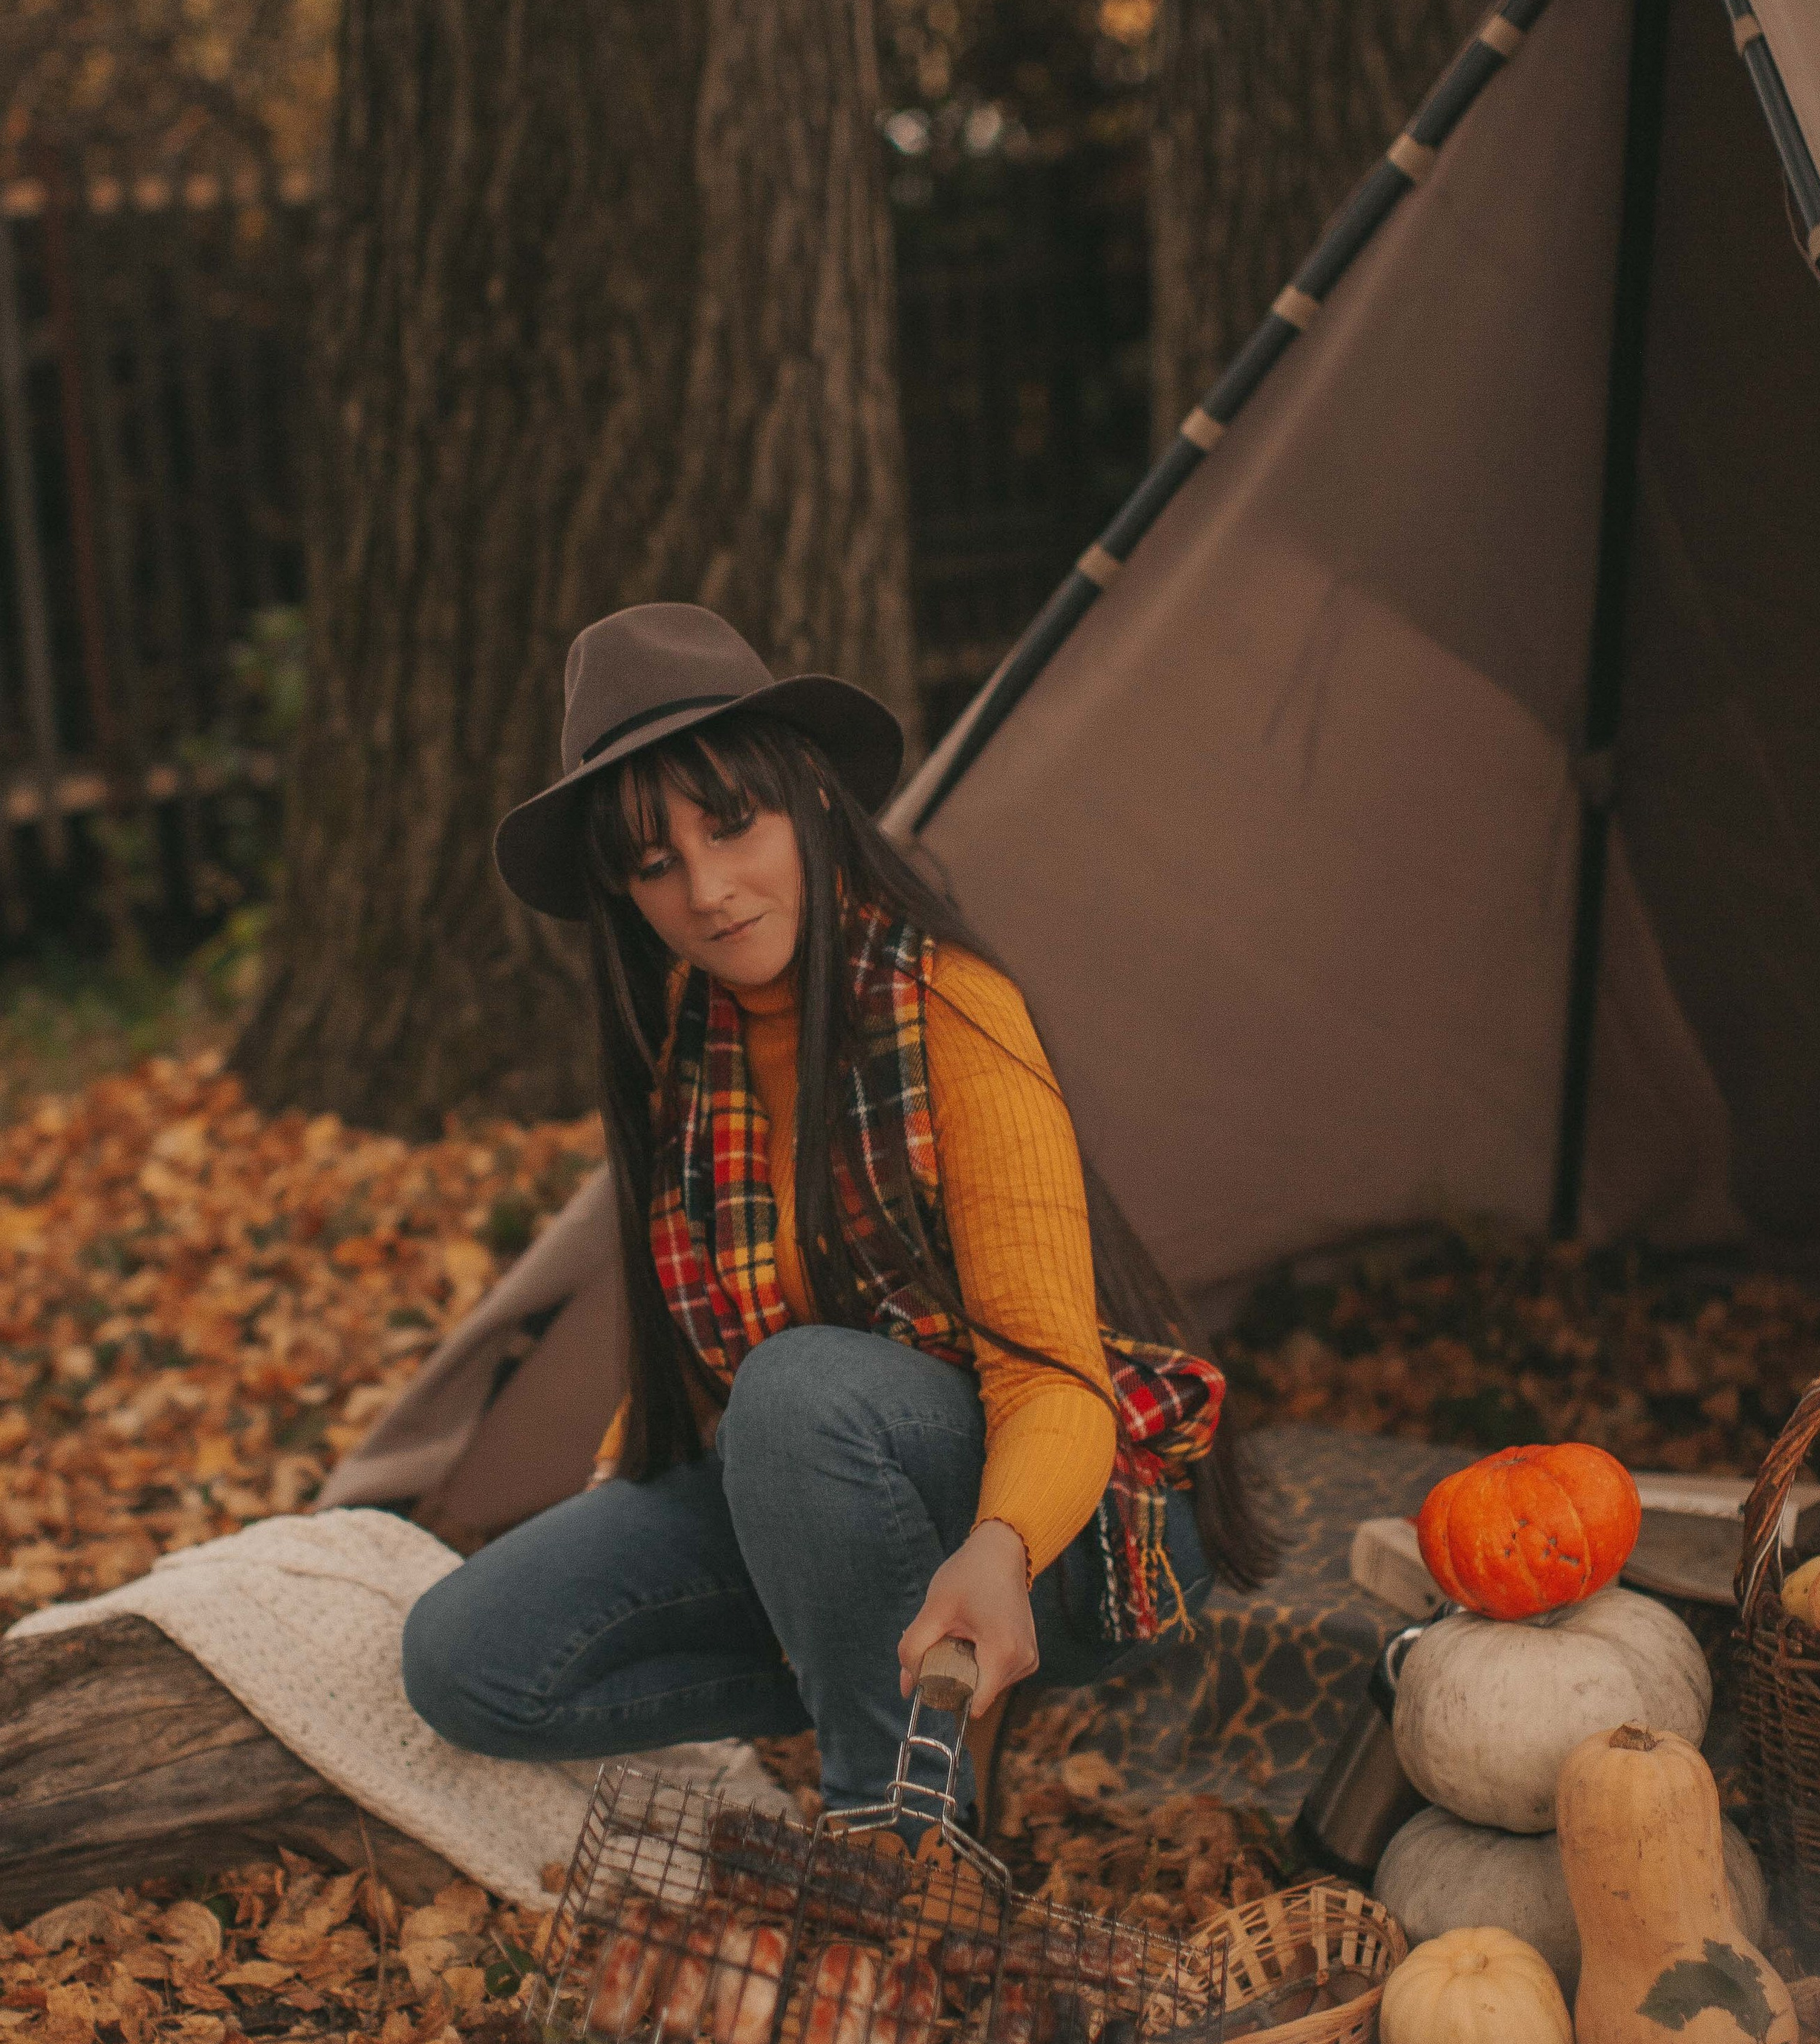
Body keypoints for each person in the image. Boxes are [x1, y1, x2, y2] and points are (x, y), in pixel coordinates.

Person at [402, 602, 1264, 1820]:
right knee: (469, 1660)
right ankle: (885, 1685)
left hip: (1064, 1536)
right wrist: (615, 1503)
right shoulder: (687, 1068)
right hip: (840, 1497)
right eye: (656, 864)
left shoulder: (949, 1008)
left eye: (731, 824)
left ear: (806, 795)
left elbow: (1051, 1379)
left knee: (802, 1385)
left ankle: (895, 1836)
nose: (707, 890)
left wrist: (999, 1549)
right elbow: (713, 1365)